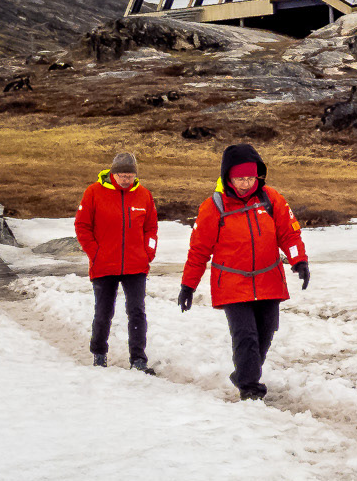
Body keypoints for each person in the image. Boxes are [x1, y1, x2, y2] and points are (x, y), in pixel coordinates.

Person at [179, 142, 309, 400]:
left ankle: (243, 374)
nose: (246, 183)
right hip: (231, 283)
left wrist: (299, 261)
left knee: (266, 331)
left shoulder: (271, 199)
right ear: (228, 177)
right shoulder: (213, 207)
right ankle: (250, 389)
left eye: (251, 177)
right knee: (246, 336)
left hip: (269, 279)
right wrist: (188, 286)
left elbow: (290, 235)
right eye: (240, 178)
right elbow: (199, 251)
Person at [74, 150, 158, 371]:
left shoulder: (144, 195)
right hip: (104, 264)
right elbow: (82, 226)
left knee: (137, 311)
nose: (125, 180)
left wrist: (148, 253)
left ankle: (138, 358)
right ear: (113, 174)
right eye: (121, 176)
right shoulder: (93, 192)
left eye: (129, 176)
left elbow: (151, 228)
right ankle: (99, 352)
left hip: (136, 265)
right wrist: (95, 253)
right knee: (104, 311)